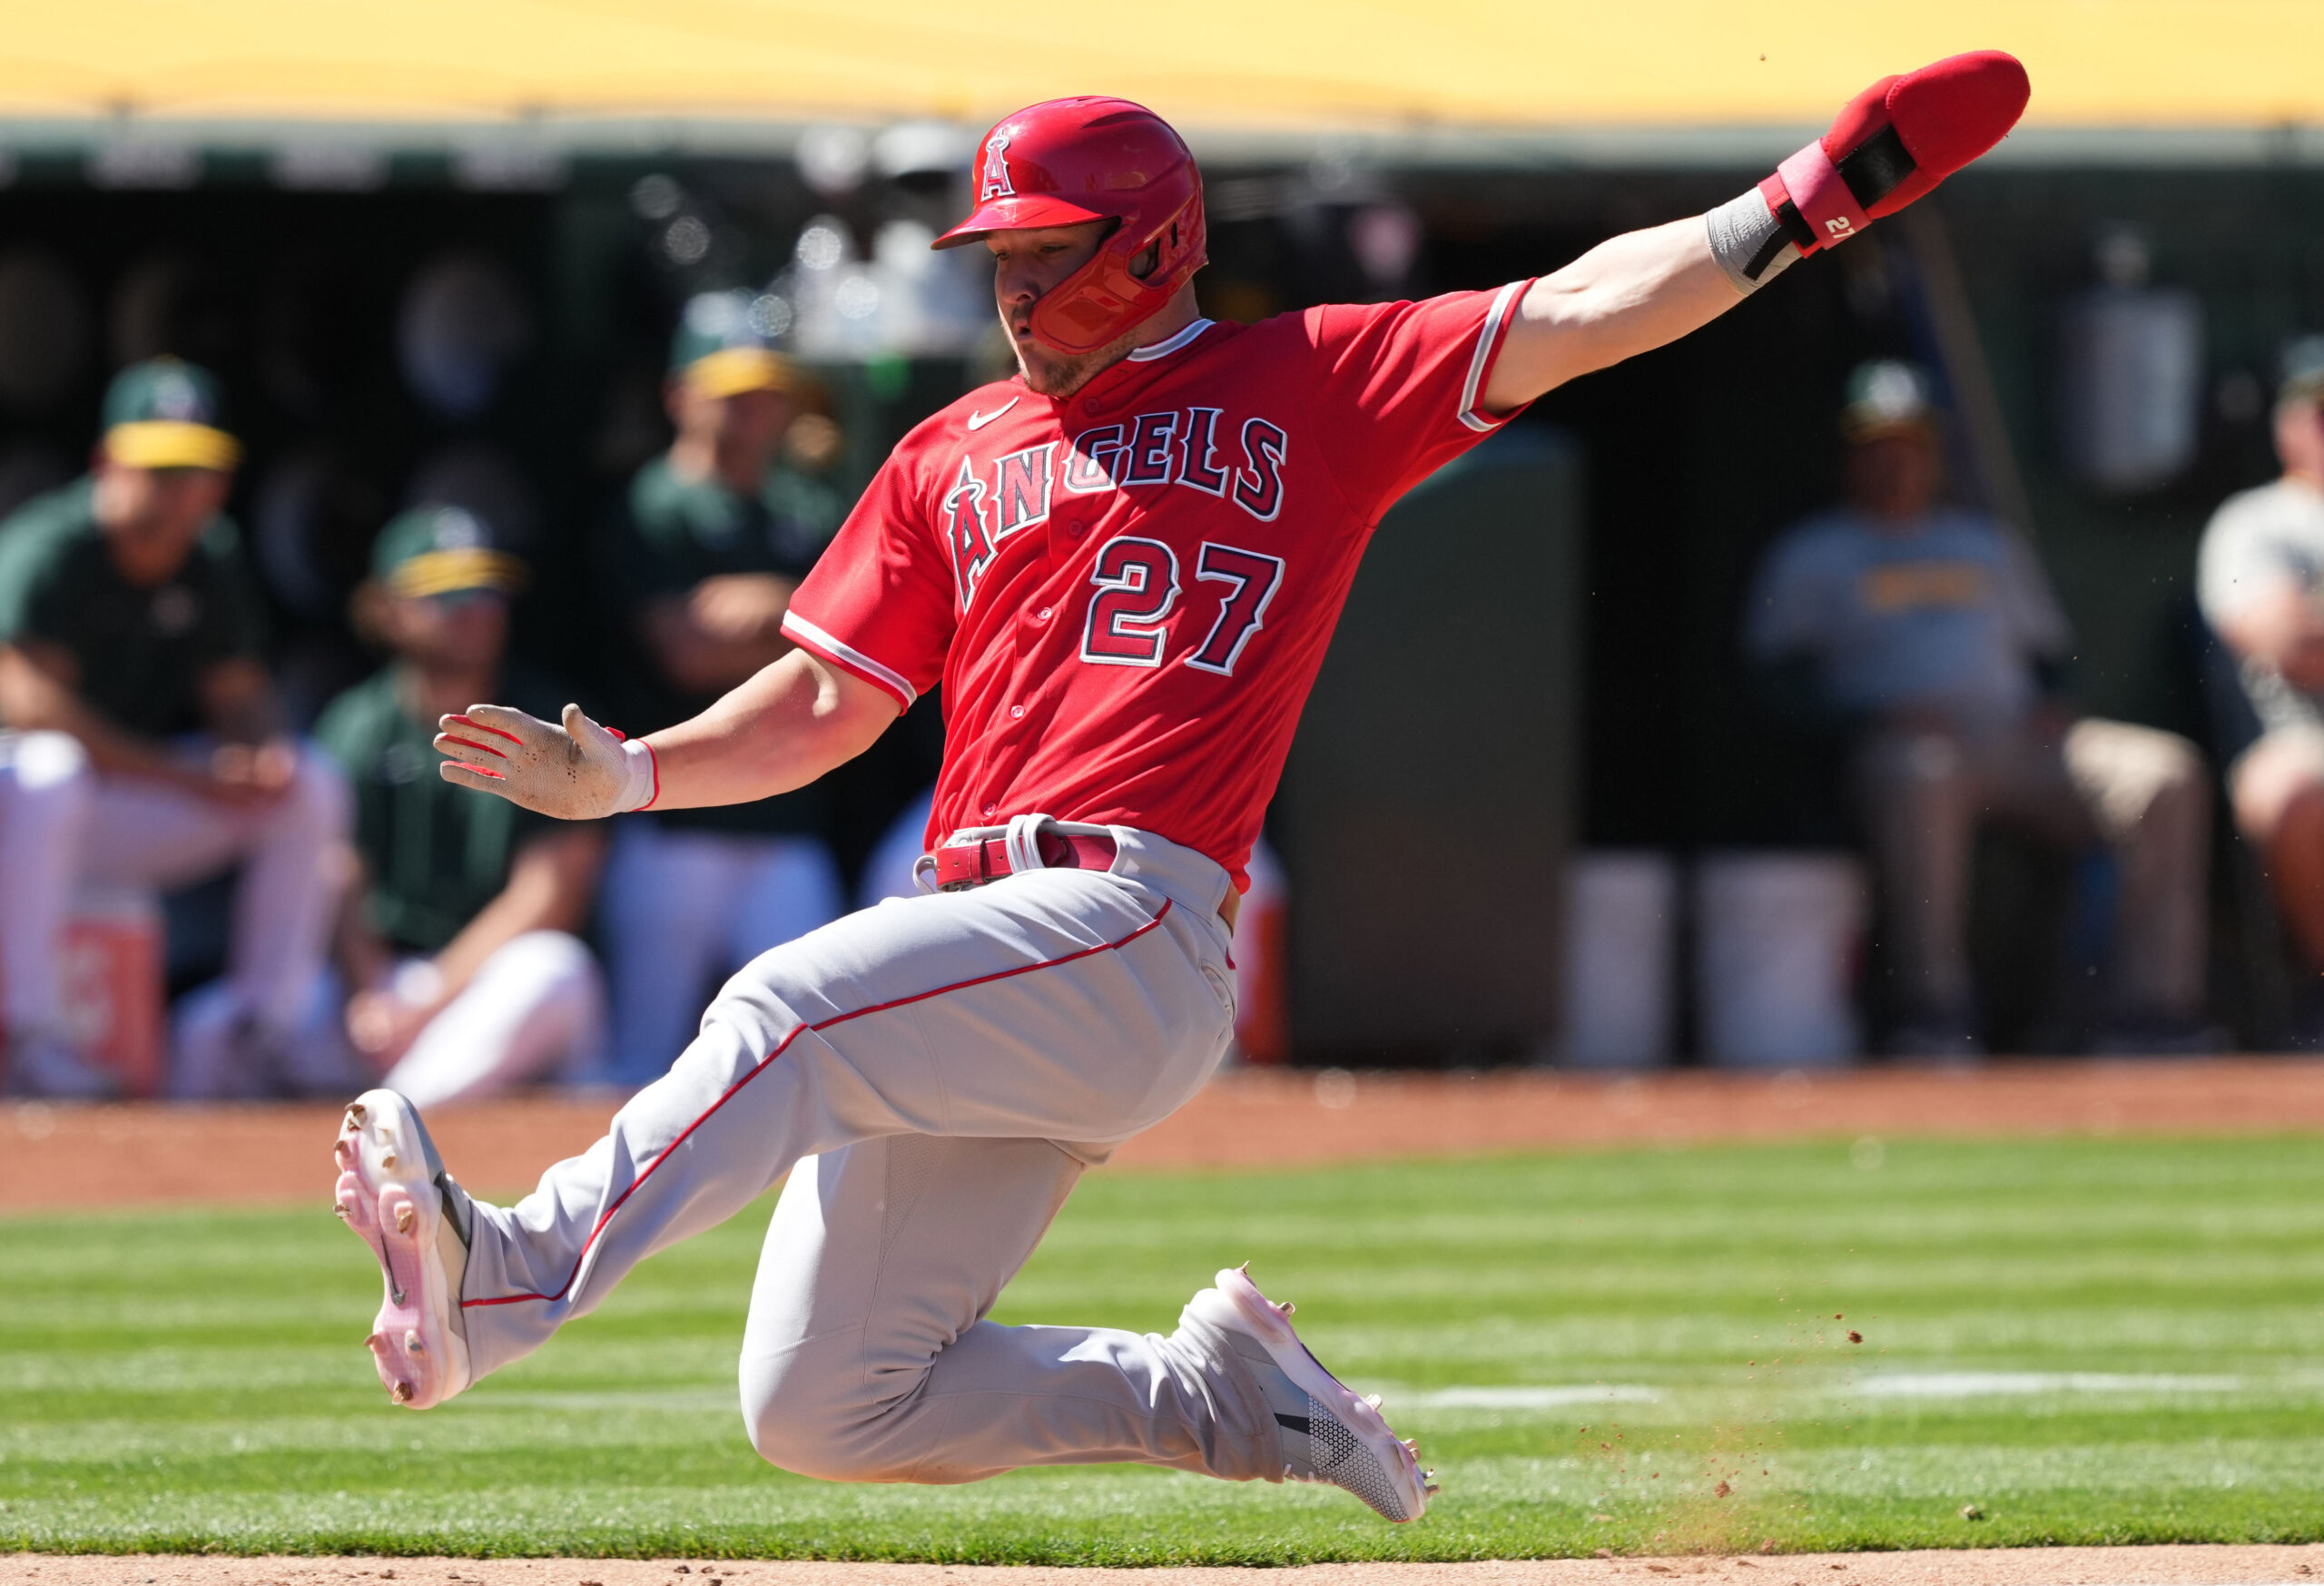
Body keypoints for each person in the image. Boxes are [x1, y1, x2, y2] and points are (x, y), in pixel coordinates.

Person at [331, 62, 2028, 1520]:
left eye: (1041, 253)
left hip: (1130, 922)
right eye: (994, 252)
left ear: (1148, 245)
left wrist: (1799, 205)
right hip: (984, 937)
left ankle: (520, 1266)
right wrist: (626, 770)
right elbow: (828, 708)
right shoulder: (952, 447)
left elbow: (1584, 309)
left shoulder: (1312, 380)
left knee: (786, 1004)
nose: (1006, 287)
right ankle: (1213, 1397)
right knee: (824, 1404)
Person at [1746, 360, 2213, 1055]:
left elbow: (2049, 655)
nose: (1897, 460)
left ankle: (2149, 1011)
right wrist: (1866, 716)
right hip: (1906, 744)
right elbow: (1772, 681)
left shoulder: (1983, 543)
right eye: (1878, 445)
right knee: (1919, 771)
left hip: (2021, 740)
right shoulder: (1814, 551)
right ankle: (1932, 1007)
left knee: (2164, 772)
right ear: (1852, 456)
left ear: (1934, 453)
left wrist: (2055, 702)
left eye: (1911, 444)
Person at [0, 359, 347, 1097]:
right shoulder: (50, 548)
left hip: (126, 805)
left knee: (308, 783)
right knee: (49, 769)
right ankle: (23, 1039)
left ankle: (263, 1033)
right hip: (26, 817)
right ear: (106, 465)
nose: (175, 490)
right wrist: (186, 773)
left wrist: (259, 750)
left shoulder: (210, 557)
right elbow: (27, 705)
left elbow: (241, 694)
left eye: (192, 470)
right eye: (156, 468)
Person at [594, 291, 850, 1082]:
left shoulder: (805, 508)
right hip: (670, 824)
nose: (755, 409)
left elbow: (848, 647)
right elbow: (688, 655)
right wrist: (800, 610)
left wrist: (768, 600)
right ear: (681, 395)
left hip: (786, 826)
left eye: (766, 389)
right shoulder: (653, 506)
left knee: (815, 1050)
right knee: (644, 1058)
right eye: (732, 390)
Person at [308, 505, 607, 1108]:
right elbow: (337, 874)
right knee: (218, 1028)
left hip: (486, 981)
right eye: (448, 594)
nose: (476, 610)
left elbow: (552, 892)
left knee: (555, 968)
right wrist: (370, 994)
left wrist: (425, 1003)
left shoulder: (550, 719)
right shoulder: (356, 722)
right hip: (386, 979)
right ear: (387, 610)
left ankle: (395, 1117)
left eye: (487, 592)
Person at [2197, 337, 2324, 1033]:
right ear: (2287, 427)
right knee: (2294, 787)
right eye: (2321, 413)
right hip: (2302, 737)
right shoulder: (2256, 520)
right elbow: (2291, 643)